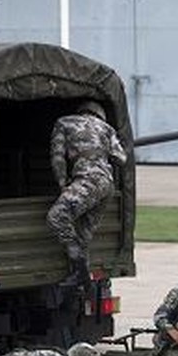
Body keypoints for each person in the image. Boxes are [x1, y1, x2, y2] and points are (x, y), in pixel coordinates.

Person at [46, 99, 127, 287]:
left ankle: (80, 271)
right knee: (84, 233)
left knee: (56, 217)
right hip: (106, 186)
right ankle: (82, 279)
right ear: (99, 115)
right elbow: (121, 158)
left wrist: (62, 185)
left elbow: (57, 157)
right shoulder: (107, 129)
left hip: (87, 180)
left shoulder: (64, 122)